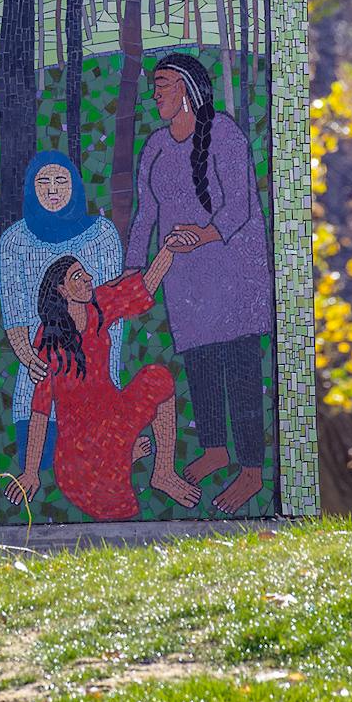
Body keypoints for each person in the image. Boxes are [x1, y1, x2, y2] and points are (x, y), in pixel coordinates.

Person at [124, 53, 274, 516]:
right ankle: (215, 448)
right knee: (201, 360)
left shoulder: (223, 133)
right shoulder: (155, 147)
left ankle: (251, 469)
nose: (156, 94)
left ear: (187, 88)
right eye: (153, 86)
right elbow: (145, 210)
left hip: (234, 267)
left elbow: (241, 205)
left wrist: (202, 235)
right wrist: (133, 270)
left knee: (239, 362)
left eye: (164, 85)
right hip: (186, 275)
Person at [7, 252, 200, 518]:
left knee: (159, 378)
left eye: (85, 272)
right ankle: (122, 454)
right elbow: (40, 410)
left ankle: (163, 472)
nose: (88, 278)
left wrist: (167, 250)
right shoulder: (48, 340)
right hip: (81, 443)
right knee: (116, 506)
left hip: (114, 412)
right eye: (77, 276)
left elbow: (143, 289)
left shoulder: (97, 306)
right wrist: (30, 472)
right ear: (62, 290)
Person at [0, 152, 124, 470]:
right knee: (42, 461)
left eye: (61, 181)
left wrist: (95, 370)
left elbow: (111, 312)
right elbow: (15, 315)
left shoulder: (103, 236)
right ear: (31, 189)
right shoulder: (14, 243)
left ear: (75, 186)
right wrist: (31, 360)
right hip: (43, 370)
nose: (53, 190)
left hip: (95, 370)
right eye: (43, 182)